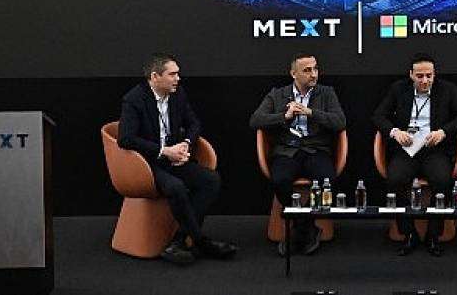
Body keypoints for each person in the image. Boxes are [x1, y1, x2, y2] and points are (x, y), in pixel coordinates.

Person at [117, 53, 238, 265]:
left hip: (173, 159)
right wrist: (164, 151)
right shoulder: (134, 99)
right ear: (155, 77)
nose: (178, 79)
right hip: (146, 163)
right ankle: (200, 241)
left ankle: (180, 240)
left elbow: (194, 123)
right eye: (172, 74)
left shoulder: (177, 94)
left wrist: (186, 144)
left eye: (178, 74)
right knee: (176, 187)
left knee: (211, 180)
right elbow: (126, 139)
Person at [372, 52, 457, 256]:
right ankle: (409, 233)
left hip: (434, 149)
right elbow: (378, 116)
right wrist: (395, 132)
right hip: (407, 149)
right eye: (420, 76)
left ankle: (433, 235)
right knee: (394, 180)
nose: (425, 80)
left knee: (442, 181)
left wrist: (443, 132)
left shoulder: (447, 90)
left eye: (429, 75)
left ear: (435, 74)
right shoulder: (398, 89)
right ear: (411, 75)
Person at [250, 53, 346, 257]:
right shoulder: (277, 94)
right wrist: (284, 116)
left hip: (316, 150)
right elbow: (256, 120)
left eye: (315, 69)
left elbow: (340, 122)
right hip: (287, 150)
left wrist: (311, 112)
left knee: (327, 180)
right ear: (294, 74)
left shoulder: (326, 93)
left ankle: (299, 230)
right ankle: (307, 227)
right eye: (307, 70)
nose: (314, 74)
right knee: (280, 180)